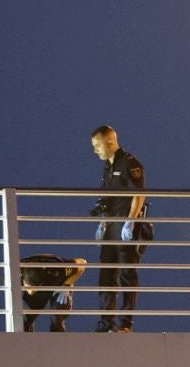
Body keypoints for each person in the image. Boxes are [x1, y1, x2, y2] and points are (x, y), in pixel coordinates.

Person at [89, 125, 146, 332]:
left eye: (97, 146)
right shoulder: (107, 167)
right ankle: (105, 324)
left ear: (110, 143)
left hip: (125, 227)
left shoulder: (129, 163)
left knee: (126, 275)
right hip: (111, 228)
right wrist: (102, 223)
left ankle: (125, 323)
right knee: (106, 276)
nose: (95, 150)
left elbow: (139, 194)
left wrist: (131, 221)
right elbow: (106, 200)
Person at [21, 254, 87, 332]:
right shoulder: (15, 272)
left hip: (56, 284)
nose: (31, 292)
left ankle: (58, 340)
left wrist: (67, 285)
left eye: (35, 287)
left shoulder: (58, 268)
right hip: (24, 289)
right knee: (22, 322)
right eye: (29, 287)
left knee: (58, 313)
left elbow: (82, 263)